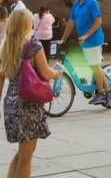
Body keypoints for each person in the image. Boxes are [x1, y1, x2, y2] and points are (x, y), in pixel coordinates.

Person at [0, 9, 62, 178]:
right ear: (28, 24)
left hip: (11, 105)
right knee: (26, 156)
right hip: (28, 105)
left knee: (22, 153)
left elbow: (0, 81)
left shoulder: (4, 46)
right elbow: (46, 73)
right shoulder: (33, 45)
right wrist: (55, 74)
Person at [61, 0, 111, 105]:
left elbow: (98, 22)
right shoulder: (76, 4)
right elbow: (71, 23)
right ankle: (107, 91)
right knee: (94, 66)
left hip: (94, 40)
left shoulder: (92, 2)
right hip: (84, 41)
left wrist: (86, 35)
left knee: (95, 66)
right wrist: (63, 39)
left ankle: (102, 93)